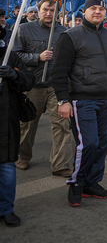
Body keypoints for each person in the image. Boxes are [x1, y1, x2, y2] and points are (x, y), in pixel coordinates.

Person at [52, 0, 107, 207]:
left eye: (101, 9)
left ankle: (92, 182)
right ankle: (76, 183)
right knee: (88, 143)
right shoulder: (69, 36)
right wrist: (63, 100)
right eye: (93, 8)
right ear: (85, 11)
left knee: (102, 144)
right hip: (82, 99)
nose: (97, 11)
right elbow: (59, 71)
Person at [13, 0, 72, 176]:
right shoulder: (24, 29)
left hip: (56, 86)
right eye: (45, 9)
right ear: (38, 11)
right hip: (33, 85)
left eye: (52, 10)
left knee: (62, 125)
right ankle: (22, 157)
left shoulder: (64, 32)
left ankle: (60, 164)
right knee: (27, 124)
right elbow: (14, 56)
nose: (48, 13)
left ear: (57, 13)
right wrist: (37, 57)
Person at [0, 26, 35, 227]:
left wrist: (14, 76)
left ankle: (6, 208)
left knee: (6, 166)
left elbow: (29, 81)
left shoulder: (9, 56)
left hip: (6, 120)